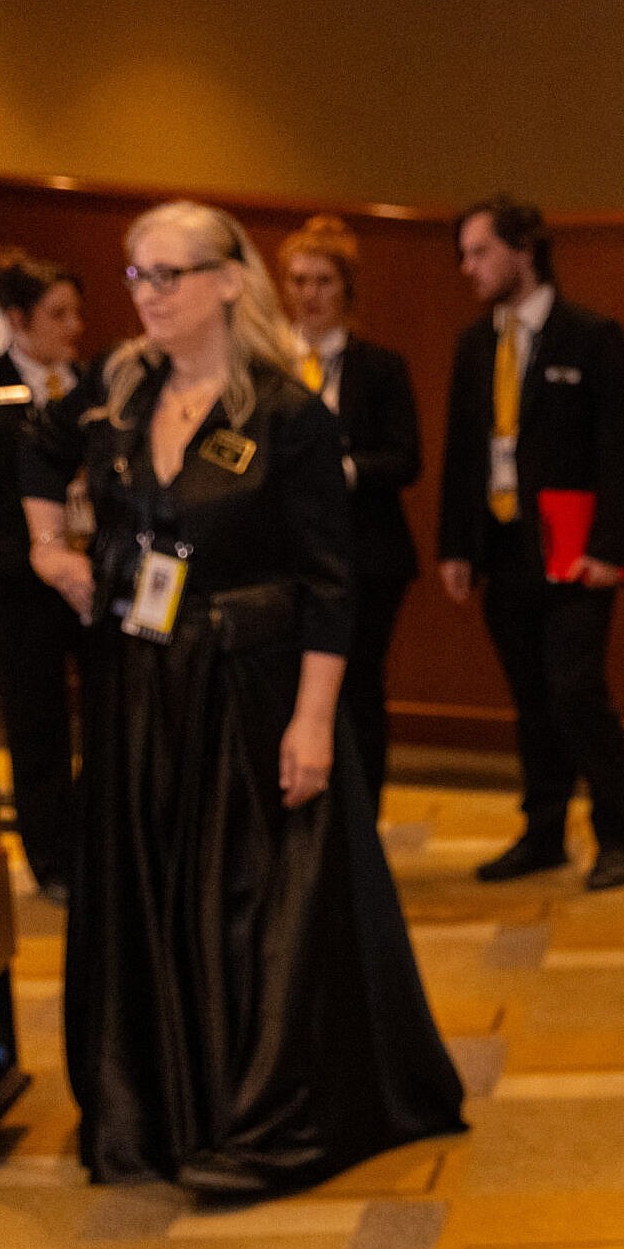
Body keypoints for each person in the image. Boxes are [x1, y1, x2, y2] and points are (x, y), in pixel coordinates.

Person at [21, 200, 464, 1200]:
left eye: (167, 275)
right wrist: (51, 548)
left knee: (252, 911)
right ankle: (157, 1115)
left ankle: (254, 1118)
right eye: (135, 276)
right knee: (147, 896)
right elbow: (35, 447)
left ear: (227, 281)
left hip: (246, 693)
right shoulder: (118, 388)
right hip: (138, 692)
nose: (147, 295)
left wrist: (313, 721)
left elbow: (329, 584)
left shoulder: (287, 415)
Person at [435, 193, 624, 891]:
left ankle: (618, 834)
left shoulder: (592, 336)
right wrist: (456, 547)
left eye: (480, 251)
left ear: (523, 250)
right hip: (503, 546)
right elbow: (463, 452)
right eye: (463, 254)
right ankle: (544, 832)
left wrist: (609, 547)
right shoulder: (475, 344)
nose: (467, 267)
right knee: (530, 698)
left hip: (575, 551)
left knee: (576, 690)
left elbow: (619, 451)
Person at [0, 250, 91, 900]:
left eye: (77, 312)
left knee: (109, 714)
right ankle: (52, 861)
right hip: (16, 581)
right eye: (58, 314)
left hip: (89, 576)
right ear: (17, 318)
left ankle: (99, 845)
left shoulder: (91, 385)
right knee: (37, 725)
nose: (74, 327)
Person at [279, 213, 423, 808]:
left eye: (323, 281)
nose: (309, 294)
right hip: (285, 556)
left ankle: (362, 818)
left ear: (347, 289)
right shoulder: (266, 363)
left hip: (367, 554)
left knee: (357, 686)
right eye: (298, 281)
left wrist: (340, 470)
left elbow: (405, 459)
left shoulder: (379, 367)